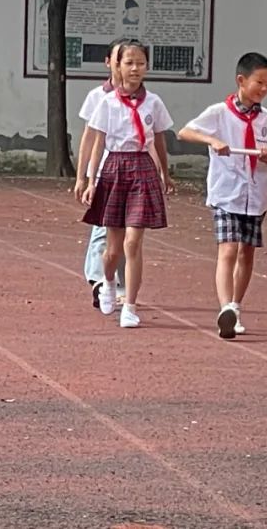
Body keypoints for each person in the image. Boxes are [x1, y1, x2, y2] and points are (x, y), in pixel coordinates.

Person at [177, 52, 267, 339]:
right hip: (226, 193)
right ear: (241, 80)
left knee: (247, 252)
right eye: (258, 82)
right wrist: (212, 140)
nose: (263, 89)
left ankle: (236, 305)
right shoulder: (219, 113)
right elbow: (185, 132)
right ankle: (225, 307)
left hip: (255, 194)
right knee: (228, 249)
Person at [81, 40, 174, 328]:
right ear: (117, 65)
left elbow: (159, 139)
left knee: (134, 242)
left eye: (141, 63)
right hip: (114, 170)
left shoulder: (154, 102)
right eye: (129, 62)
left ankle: (130, 305)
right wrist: (89, 180)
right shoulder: (106, 102)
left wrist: (165, 174)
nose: (135, 68)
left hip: (141, 167)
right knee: (113, 250)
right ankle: (108, 281)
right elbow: (97, 143)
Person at [74, 38, 128, 308]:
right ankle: (98, 281)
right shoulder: (98, 96)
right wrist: (83, 177)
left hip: (130, 174)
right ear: (109, 62)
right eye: (120, 60)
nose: (125, 66)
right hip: (104, 172)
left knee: (128, 232)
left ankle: (120, 283)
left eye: (131, 61)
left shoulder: (142, 100)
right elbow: (89, 137)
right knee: (102, 228)